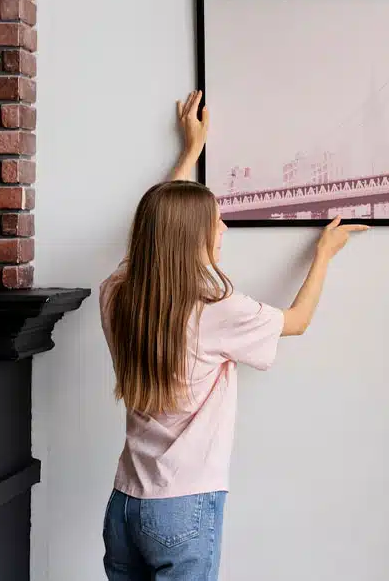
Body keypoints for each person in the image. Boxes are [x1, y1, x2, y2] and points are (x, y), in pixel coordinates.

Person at [98, 90, 368, 580]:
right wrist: (324, 253)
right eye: (214, 220)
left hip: (125, 505)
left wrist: (189, 155)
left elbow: (156, 227)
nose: (223, 226)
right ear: (194, 236)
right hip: (184, 507)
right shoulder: (214, 310)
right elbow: (297, 320)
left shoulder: (118, 294)